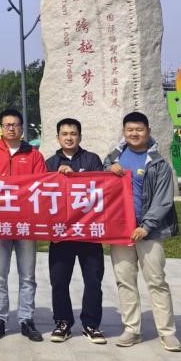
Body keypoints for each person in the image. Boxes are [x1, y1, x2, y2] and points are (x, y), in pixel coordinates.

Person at [104, 112, 181, 351]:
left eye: (139, 129)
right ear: (123, 132)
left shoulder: (158, 163)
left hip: (149, 232)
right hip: (120, 231)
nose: (134, 134)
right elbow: (101, 186)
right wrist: (108, 168)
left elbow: (163, 200)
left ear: (148, 131)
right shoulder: (113, 158)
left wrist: (146, 226)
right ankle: (132, 329)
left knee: (156, 281)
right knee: (125, 281)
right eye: (129, 130)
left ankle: (167, 332)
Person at [0, 107, 47, 342]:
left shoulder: (34, 155)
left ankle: (26, 319)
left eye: (15, 124)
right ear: (0, 128)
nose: (11, 128)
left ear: (22, 128)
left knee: (27, 276)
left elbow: (40, 185)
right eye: (7, 125)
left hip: (26, 225)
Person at [44, 118, 106, 344]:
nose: (69, 137)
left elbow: (102, 188)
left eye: (73, 133)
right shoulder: (49, 164)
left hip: (88, 232)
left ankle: (91, 324)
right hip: (61, 233)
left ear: (80, 136)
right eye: (64, 134)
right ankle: (62, 323)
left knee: (93, 280)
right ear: (57, 137)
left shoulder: (92, 160)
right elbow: (42, 195)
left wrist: (76, 177)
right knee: (59, 281)